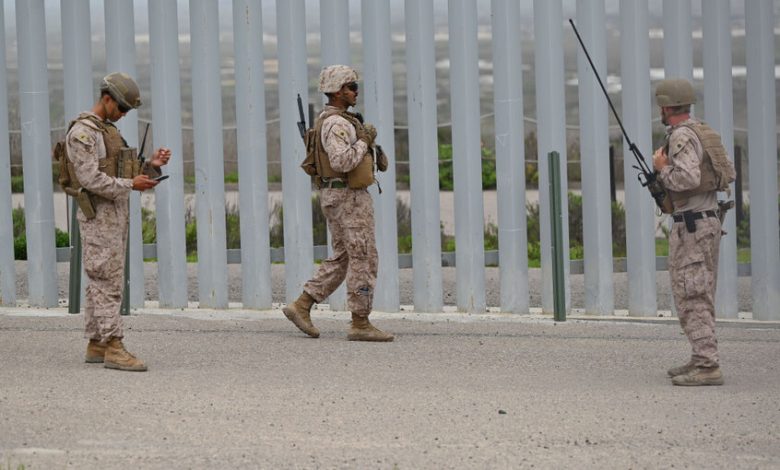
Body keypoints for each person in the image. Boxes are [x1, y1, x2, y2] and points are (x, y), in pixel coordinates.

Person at [65, 72, 171, 371]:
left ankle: (97, 342)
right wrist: (130, 185)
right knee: (106, 282)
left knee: (100, 280)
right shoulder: (83, 134)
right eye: (122, 107)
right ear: (106, 99)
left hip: (113, 216)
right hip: (98, 217)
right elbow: (90, 179)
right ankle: (113, 345)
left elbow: (121, 172)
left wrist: (151, 166)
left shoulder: (106, 131)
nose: (124, 114)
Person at [282, 65, 393, 342]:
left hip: (341, 196)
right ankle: (360, 322)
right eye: (351, 87)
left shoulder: (339, 120)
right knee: (363, 257)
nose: (356, 92)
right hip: (348, 197)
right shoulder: (337, 124)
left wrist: (369, 145)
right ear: (337, 91)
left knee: (344, 257)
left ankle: (302, 304)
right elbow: (342, 161)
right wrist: (364, 141)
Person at [652, 78, 733, 386]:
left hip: (693, 226)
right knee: (698, 291)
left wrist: (661, 169)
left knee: (693, 293)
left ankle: (707, 365)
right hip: (705, 222)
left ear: (667, 107)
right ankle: (700, 357)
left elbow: (687, 178)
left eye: (661, 106)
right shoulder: (700, 130)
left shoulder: (681, 136)